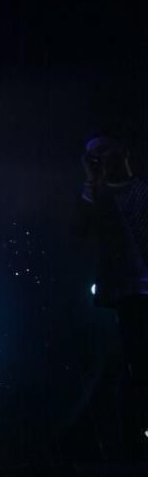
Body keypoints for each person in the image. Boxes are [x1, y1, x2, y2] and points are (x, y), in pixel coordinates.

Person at [77, 134, 148, 459]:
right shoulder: (97, 196)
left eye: (106, 153)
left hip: (138, 288)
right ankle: (130, 445)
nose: (102, 159)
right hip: (122, 294)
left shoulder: (139, 190)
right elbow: (82, 234)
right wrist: (92, 183)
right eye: (95, 155)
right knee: (127, 368)